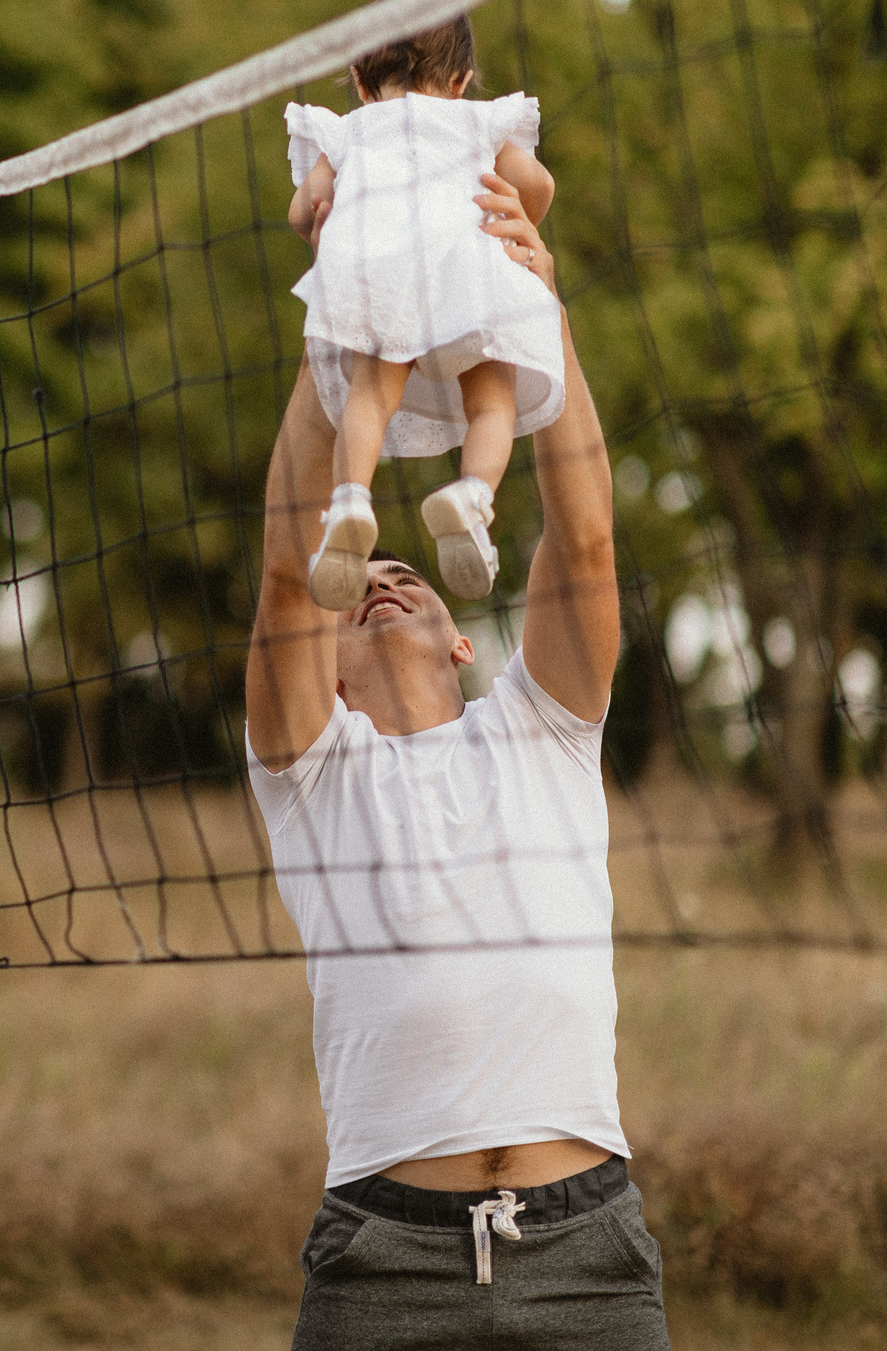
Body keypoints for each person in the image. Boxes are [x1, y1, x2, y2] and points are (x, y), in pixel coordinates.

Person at [243, 168, 669, 1350]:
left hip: (586, 1253)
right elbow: (289, 567)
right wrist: (340, 308)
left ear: (464, 642)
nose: (382, 578)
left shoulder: (539, 725)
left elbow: (584, 532)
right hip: (384, 1262)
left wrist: (543, 319)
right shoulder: (310, 773)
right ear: (320, 671)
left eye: (408, 577)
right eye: (364, 578)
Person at [282, 5, 559, 610]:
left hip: (382, 276)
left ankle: (351, 500)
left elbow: (304, 211)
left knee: (369, 397)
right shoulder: (476, 122)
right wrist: (517, 217)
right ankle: (473, 497)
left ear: (360, 81)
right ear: (461, 79)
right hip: (471, 270)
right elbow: (538, 187)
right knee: (492, 403)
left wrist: (328, 234)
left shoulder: (351, 130)